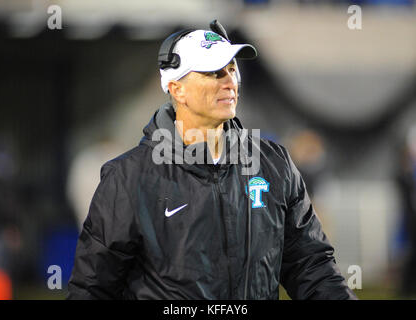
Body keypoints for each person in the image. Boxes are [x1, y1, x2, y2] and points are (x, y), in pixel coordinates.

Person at [67, 21, 357, 300]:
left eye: (232, 70)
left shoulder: (274, 164)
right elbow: (93, 287)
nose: (229, 81)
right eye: (214, 72)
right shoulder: (128, 178)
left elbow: (311, 267)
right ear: (176, 88)